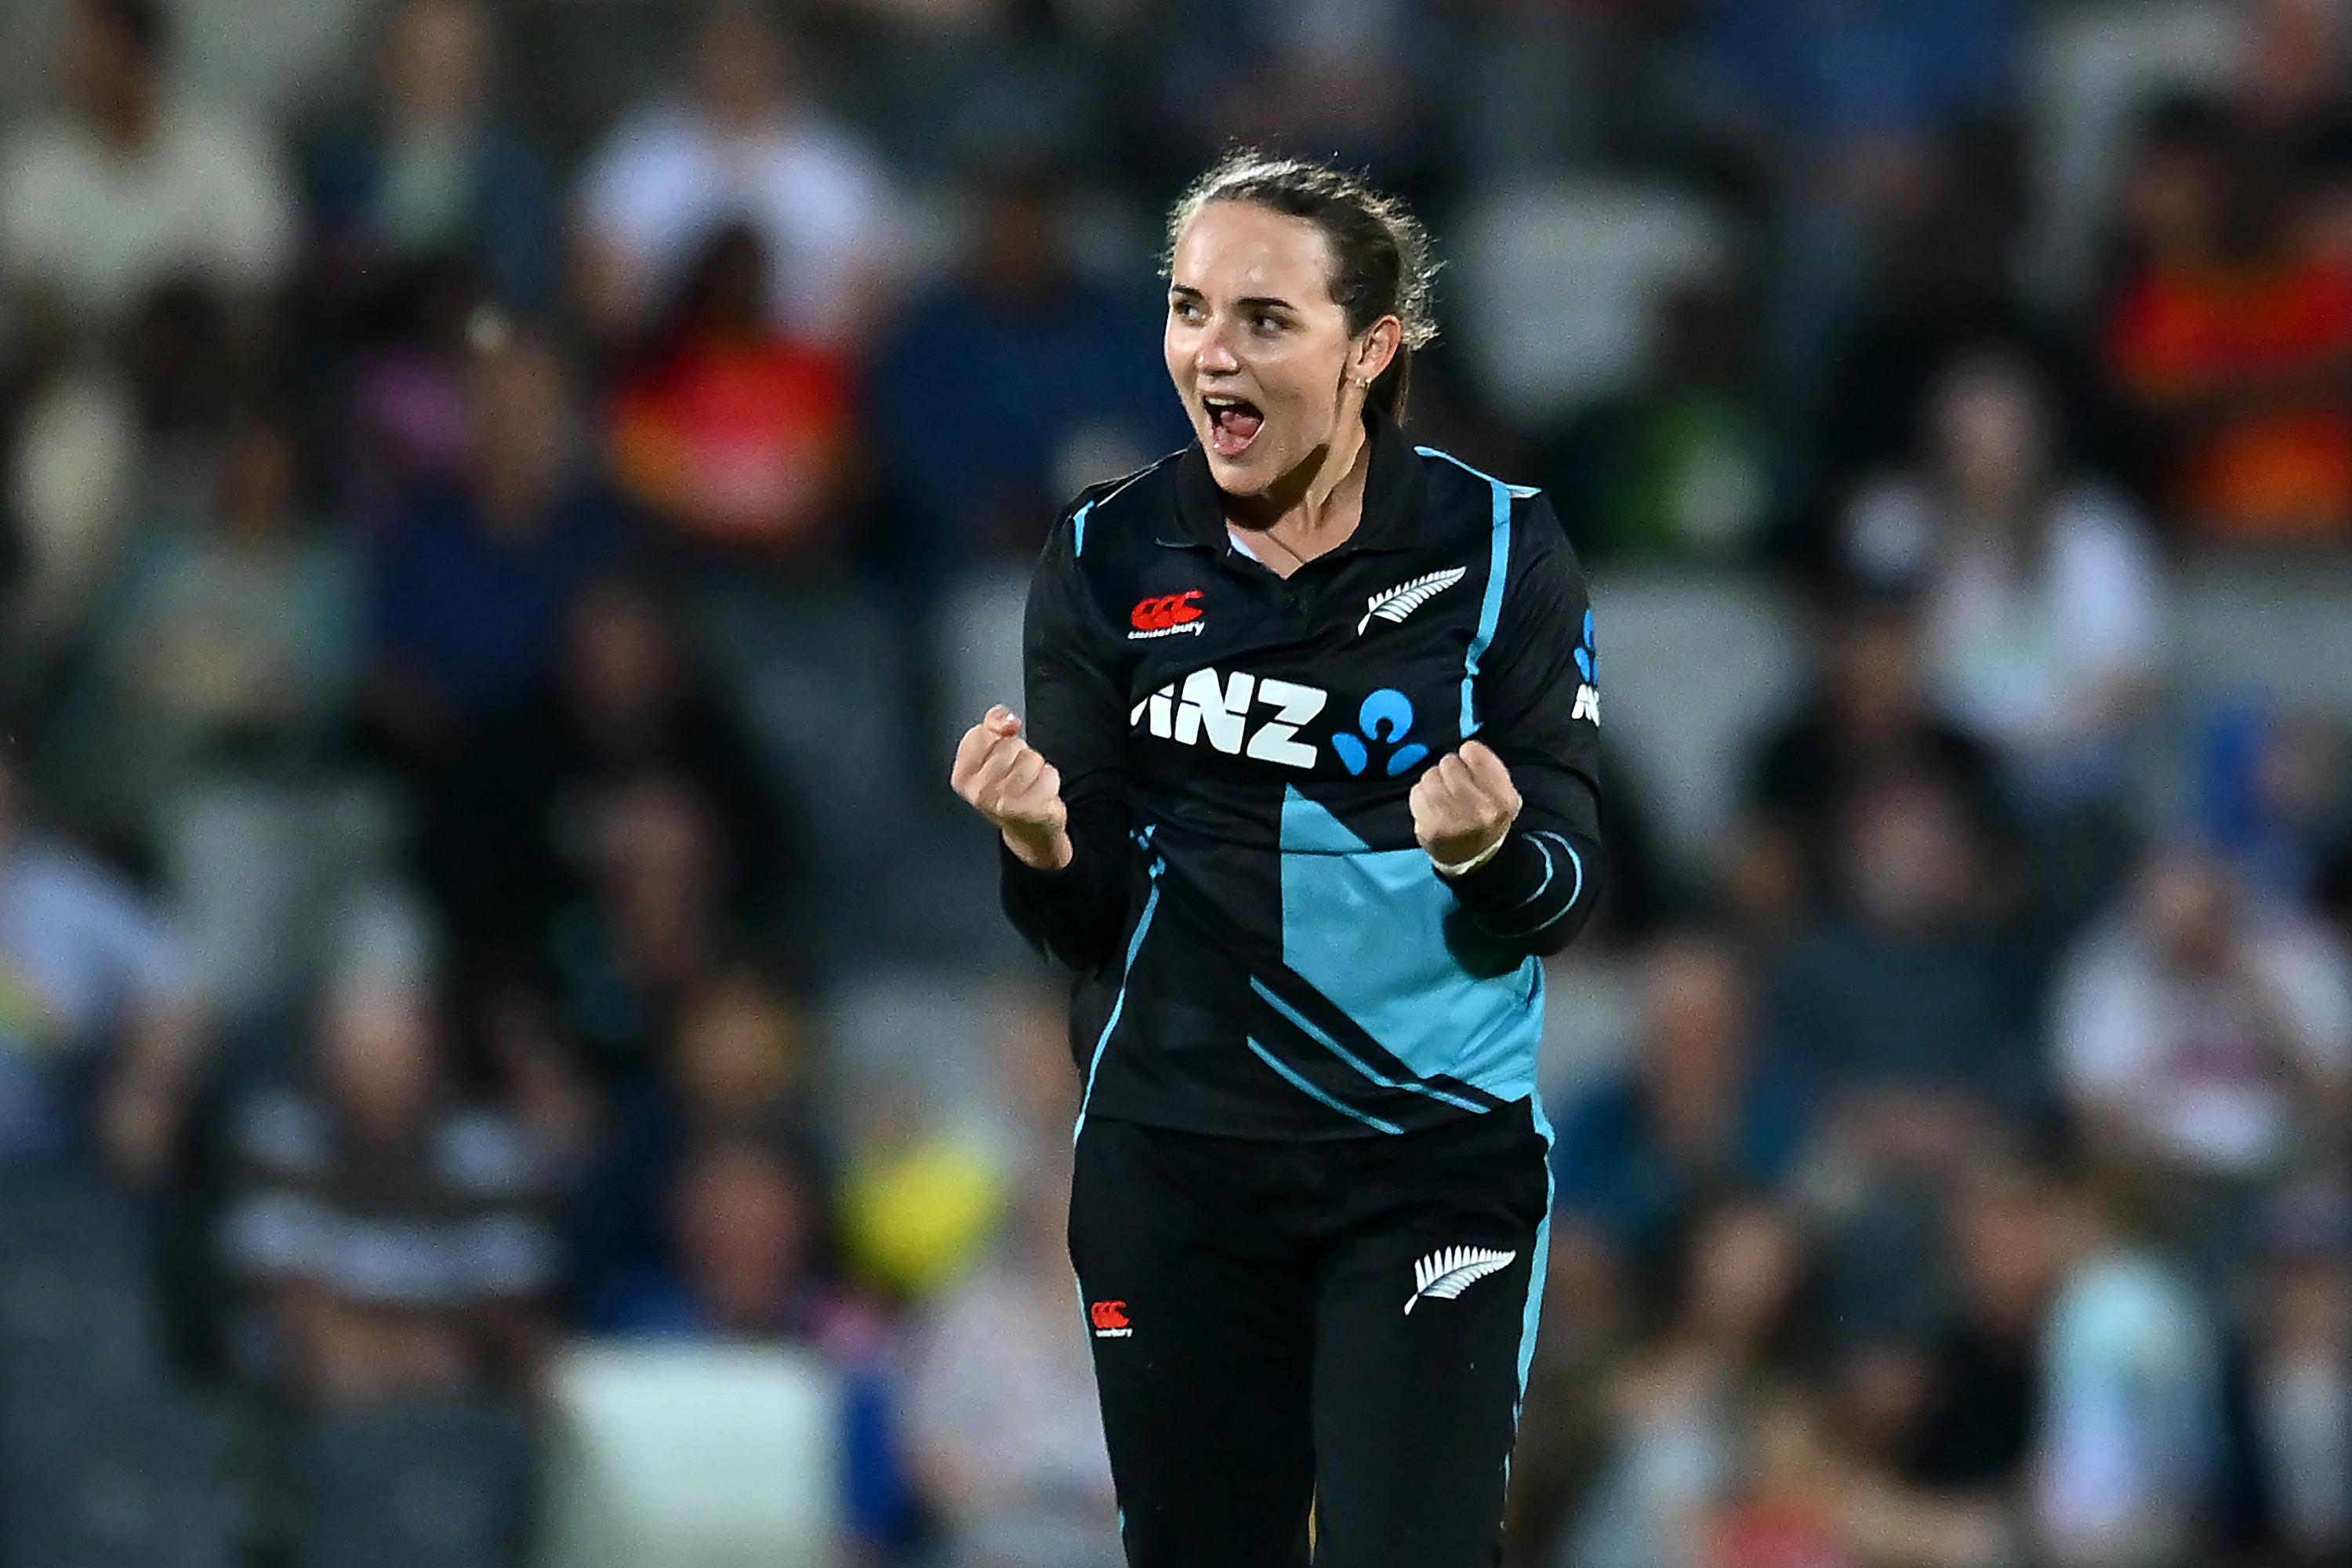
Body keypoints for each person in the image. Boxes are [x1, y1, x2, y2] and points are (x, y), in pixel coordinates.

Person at [949, 154, 1605, 1568]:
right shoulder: (1104, 554)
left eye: (1263, 317)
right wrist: (1040, 842)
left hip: (1427, 1157)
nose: (1210, 351)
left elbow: (1563, 889)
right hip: (1176, 1160)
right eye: (1190, 309)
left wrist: (1491, 856)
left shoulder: (1500, 550)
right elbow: (1081, 925)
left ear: (1369, 351)